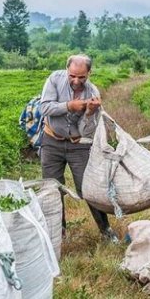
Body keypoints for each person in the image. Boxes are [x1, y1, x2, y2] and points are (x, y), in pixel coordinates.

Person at [39, 54, 119, 244]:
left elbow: (86, 130)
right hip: (51, 142)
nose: (76, 81)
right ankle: (59, 232)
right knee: (52, 188)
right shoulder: (54, 79)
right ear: (67, 70)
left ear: (89, 73)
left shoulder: (93, 93)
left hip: (78, 146)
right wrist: (69, 106)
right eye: (72, 76)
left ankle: (105, 229)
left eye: (81, 77)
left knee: (88, 188)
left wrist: (90, 113)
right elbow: (45, 108)